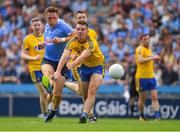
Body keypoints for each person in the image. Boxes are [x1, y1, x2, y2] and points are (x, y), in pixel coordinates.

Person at [53, 21, 105, 123]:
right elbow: (65, 55)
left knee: (92, 89)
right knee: (83, 94)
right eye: (78, 29)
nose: (80, 31)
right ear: (76, 30)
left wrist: (72, 64)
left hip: (97, 67)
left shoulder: (91, 42)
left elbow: (84, 55)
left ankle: (84, 115)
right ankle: (88, 115)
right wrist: (58, 71)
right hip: (85, 68)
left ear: (87, 31)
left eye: (82, 29)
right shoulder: (72, 41)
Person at [41, 6, 74, 122]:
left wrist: (62, 40)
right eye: (49, 18)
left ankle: (53, 110)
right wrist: (43, 44)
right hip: (48, 59)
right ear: (46, 17)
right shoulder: (46, 26)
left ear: (57, 16)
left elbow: (74, 36)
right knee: (47, 73)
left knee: (57, 94)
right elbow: (49, 39)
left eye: (54, 18)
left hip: (62, 62)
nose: (52, 20)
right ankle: (48, 82)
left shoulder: (63, 25)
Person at [64, 10, 98, 122]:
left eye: (83, 17)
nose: (81, 19)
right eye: (79, 17)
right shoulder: (73, 33)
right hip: (77, 65)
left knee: (81, 91)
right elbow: (69, 46)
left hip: (89, 63)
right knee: (84, 92)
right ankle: (90, 115)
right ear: (76, 19)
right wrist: (73, 56)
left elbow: (92, 49)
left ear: (86, 18)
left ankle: (64, 83)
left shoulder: (92, 32)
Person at [21, 17, 50, 118]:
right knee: (43, 91)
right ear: (31, 27)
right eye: (35, 25)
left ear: (42, 26)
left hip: (47, 67)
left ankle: (47, 110)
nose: (37, 27)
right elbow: (23, 55)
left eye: (38, 25)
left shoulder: (47, 37)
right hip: (35, 68)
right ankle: (45, 113)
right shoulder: (27, 39)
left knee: (51, 91)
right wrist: (33, 58)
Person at [135, 34, 161, 121]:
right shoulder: (139, 49)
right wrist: (153, 57)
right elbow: (140, 60)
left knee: (154, 96)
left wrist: (153, 57)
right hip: (141, 77)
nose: (147, 40)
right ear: (141, 40)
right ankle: (142, 115)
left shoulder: (149, 49)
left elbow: (149, 59)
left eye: (148, 39)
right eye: (145, 39)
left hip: (151, 76)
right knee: (142, 98)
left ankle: (157, 117)